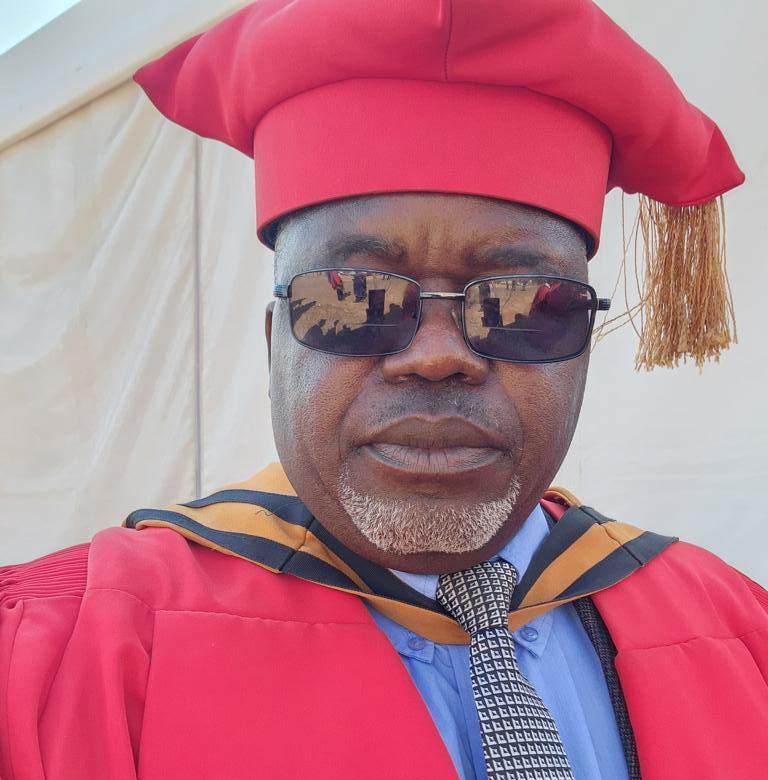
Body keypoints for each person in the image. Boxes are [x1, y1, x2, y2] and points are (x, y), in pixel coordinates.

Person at [1, 1, 766, 779]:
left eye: (522, 305)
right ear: (273, 344)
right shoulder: (61, 664)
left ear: (585, 348)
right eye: (354, 300)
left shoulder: (740, 633)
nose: (436, 358)